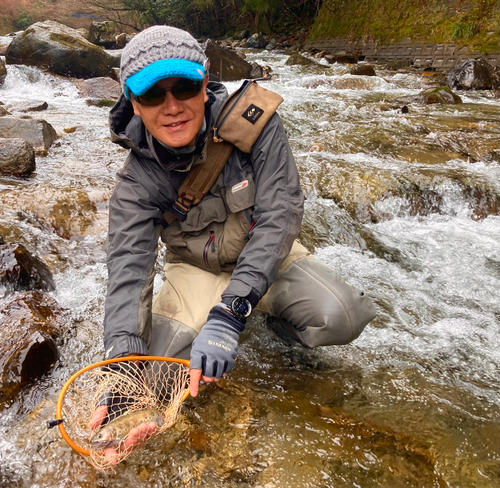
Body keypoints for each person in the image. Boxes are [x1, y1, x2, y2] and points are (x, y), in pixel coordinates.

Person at [90, 25, 376, 457]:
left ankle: (276, 326)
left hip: (267, 254)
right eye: (152, 95)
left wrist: (231, 313)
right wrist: (123, 365)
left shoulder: (254, 121)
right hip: (196, 269)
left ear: (205, 84)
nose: (172, 107)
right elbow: (128, 272)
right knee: (159, 382)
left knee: (342, 316)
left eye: (184, 87)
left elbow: (280, 216)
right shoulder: (136, 182)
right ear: (133, 100)